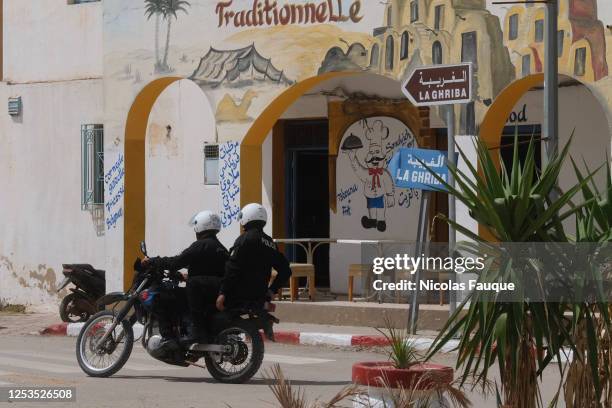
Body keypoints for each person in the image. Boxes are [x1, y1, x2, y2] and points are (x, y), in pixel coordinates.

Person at [143, 211, 229, 344]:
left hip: (200, 292)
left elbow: (176, 262)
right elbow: (209, 271)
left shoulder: (200, 245)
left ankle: (168, 337)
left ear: (200, 227)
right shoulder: (221, 248)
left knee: (159, 297)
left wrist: (154, 261)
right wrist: (187, 276)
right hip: (212, 292)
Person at [216, 203, 292, 312]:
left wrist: (223, 292)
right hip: (260, 296)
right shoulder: (270, 243)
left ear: (247, 217)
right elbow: (286, 270)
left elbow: (232, 268)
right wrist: (271, 290)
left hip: (239, 296)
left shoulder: (245, 239)